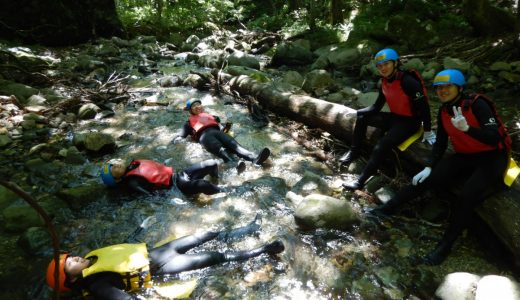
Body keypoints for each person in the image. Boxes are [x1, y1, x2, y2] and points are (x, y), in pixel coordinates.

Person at [369, 69, 511, 265]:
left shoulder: (478, 105)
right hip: (466, 155)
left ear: (460, 88)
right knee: (427, 178)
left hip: (493, 157)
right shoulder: (444, 110)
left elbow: (494, 137)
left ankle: (444, 246)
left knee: (466, 196)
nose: (443, 91)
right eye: (439, 88)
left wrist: (468, 129)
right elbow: (441, 144)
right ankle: (387, 208)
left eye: (448, 87)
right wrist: (429, 166)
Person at [46, 216, 285, 299]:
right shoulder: (97, 285)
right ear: (73, 281)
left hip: (159, 251)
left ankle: (249, 228)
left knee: (205, 234)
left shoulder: (92, 257)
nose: (75, 258)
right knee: (217, 256)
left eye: (71, 256)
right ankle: (264, 249)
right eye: (70, 264)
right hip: (164, 266)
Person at [341, 48, 434, 190]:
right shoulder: (384, 81)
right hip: (395, 118)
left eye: (386, 64)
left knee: (382, 145)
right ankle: (354, 151)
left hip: (410, 123)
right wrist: (359, 112)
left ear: (395, 63)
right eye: (379, 66)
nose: (382, 68)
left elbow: (425, 108)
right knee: (361, 116)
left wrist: (427, 130)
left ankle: (360, 182)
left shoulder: (408, 81)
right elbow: (376, 107)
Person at [173, 99, 271, 165]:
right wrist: (175, 141)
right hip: (205, 137)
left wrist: (227, 127)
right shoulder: (188, 124)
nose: (197, 106)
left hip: (218, 133)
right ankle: (234, 165)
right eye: (194, 106)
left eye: (198, 104)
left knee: (236, 147)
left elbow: (222, 128)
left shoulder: (213, 117)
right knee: (222, 151)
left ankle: (255, 159)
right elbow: (180, 137)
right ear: (190, 110)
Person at [100, 158, 228, 196]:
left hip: (178, 175)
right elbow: (151, 195)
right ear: (116, 179)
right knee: (201, 185)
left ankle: (217, 180)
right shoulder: (132, 182)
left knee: (211, 163)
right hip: (177, 187)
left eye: (114, 165)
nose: (116, 166)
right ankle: (227, 191)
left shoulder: (134, 164)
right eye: (113, 170)